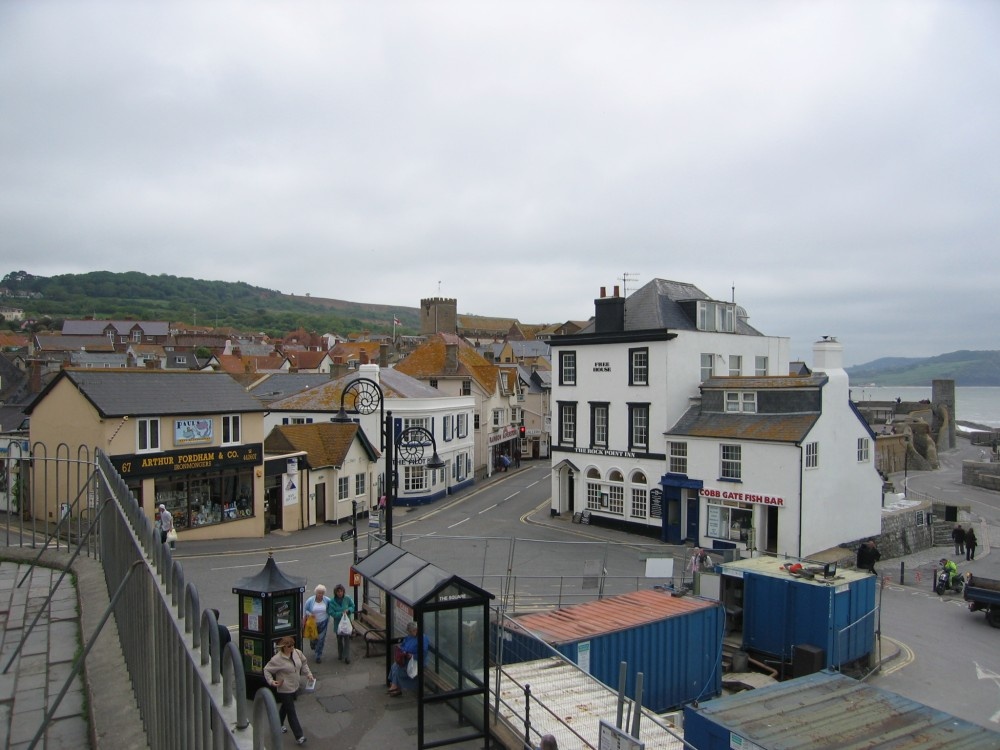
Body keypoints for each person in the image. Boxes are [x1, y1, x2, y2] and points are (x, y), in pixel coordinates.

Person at [263, 636, 312, 744]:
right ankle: (299, 736)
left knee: (285, 707)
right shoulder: (277, 659)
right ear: (283, 647)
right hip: (284, 689)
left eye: (293, 645)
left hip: (295, 686)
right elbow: (266, 669)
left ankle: (278, 724)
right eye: (289, 646)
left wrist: (308, 674)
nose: (292, 647)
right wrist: (271, 681)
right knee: (291, 711)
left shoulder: (297, 653)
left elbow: (303, 663)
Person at [388, 621, 430, 697]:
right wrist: (402, 650)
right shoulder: (409, 637)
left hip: (417, 661)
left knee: (399, 668)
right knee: (395, 666)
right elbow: (403, 645)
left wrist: (413, 656)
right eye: (410, 631)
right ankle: (396, 687)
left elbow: (423, 652)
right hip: (407, 659)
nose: (410, 633)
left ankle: (395, 686)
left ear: (416, 630)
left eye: (412, 631)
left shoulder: (423, 638)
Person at [302, 585, 334, 663]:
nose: (320, 595)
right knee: (313, 638)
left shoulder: (327, 600)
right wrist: (309, 614)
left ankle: (318, 656)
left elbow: (331, 608)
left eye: (322, 593)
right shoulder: (310, 600)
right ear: (316, 593)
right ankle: (312, 644)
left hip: (324, 621)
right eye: (319, 593)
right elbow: (305, 610)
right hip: (313, 623)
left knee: (321, 639)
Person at [330, 583, 355, 664]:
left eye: (341, 591)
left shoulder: (347, 598)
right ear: (335, 593)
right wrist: (340, 614)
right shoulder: (332, 601)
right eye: (338, 592)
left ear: (343, 592)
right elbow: (331, 612)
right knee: (339, 640)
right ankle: (340, 654)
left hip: (346, 623)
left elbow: (352, 606)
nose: (340, 593)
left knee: (347, 639)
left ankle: (347, 657)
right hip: (338, 624)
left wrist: (348, 610)